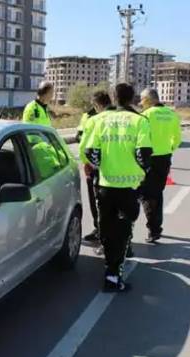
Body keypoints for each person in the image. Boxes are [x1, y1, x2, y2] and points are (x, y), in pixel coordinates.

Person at [85, 83, 152, 292]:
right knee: (123, 232)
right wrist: (142, 171)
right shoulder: (140, 121)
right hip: (129, 187)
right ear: (132, 98)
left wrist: (101, 168)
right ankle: (114, 275)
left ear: (113, 98)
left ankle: (109, 270)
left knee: (106, 230)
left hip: (105, 185)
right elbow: (143, 154)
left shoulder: (99, 119)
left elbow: (90, 151)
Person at [139, 88, 182, 243]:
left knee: (146, 195)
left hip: (148, 158)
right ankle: (156, 227)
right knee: (157, 192)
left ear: (148, 100)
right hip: (164, 158)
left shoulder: (146, 115)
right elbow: (177, 138)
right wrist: (169, 149)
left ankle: (153, 229)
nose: (140, 103)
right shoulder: (171, 114)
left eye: (142, 100)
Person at [78, 91, 115, 243]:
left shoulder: (94, 119)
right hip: (121, 168)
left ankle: (101, 232)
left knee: (98, 202)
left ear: (97, 105)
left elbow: (84, 145)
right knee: (117, 204)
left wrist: (86, 163)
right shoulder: (126, 117)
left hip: (98, 167)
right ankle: (119, 235)